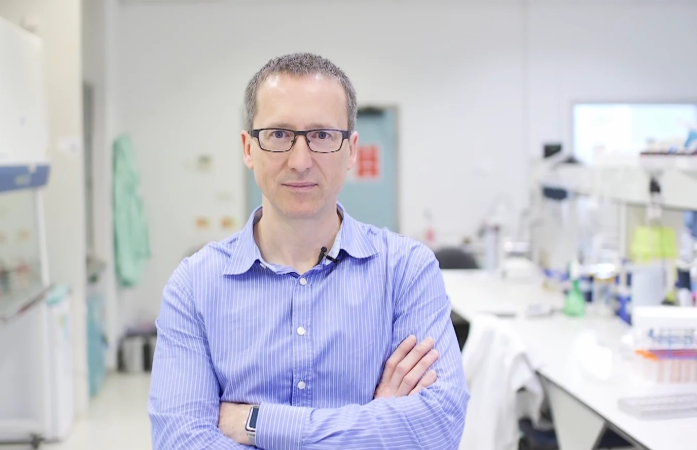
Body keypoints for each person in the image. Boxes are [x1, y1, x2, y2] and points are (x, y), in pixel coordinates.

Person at [148, 53, 469, 449]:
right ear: (249, 148)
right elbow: (180, 441)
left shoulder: (406, 271)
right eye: (279, 134)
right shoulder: (194, 285)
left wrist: (256, 423)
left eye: (321, 135)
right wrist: (375, 424)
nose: (300, 162)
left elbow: (438, 427)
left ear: (351, 149)